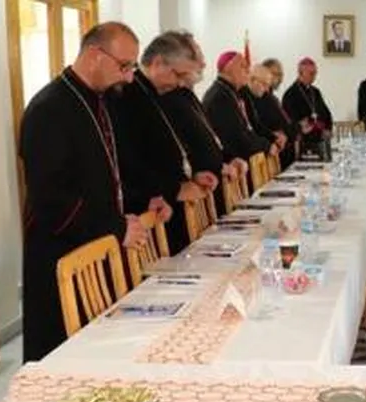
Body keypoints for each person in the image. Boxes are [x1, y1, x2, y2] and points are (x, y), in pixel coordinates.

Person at [19, 22, 151, 362]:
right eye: (124, 66)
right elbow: (51, 200)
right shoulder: (48, 109)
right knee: (62, 356)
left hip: (94, 241)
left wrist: (128, 212)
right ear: (95, 55)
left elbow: (104, 175)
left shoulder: (97, 100)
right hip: (60, 253)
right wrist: (115, 227)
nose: (129, 77)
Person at [117, 31, 208, 253]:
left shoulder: (156, 94)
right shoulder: (128, 97)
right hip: (149, 210)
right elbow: (131, 162)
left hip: (168, 204)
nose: (180, 84)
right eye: (178, 75)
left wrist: (191, 175)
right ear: (158, 63)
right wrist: (173, 188)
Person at [161, 32, 242, 216]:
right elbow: (182, 149)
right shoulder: (169, 98)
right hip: (189, 196)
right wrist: (208, 169)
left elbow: (211, 138)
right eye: (197, 58)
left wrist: (227, 159)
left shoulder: (188, 95)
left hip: (209, 184)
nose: (203, 64)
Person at [203, 51, 275, 187]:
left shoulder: (231, 93)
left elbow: (248, 127)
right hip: (233, 168)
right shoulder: (220, 96)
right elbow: (236, 136)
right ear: (228, 68)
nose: (248, 71)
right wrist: (266, 146)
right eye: (243, 66)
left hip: (241, 165)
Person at [282, 57, 333, 158]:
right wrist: (302, 126)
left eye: (315, 73)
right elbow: (289, 121)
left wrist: (328, 128)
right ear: (301, 73)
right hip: (302, 143)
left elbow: (326, 113)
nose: (314, 76)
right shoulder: (290, 94)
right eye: (311, 73)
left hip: (320, 140)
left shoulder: (315, 92)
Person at [261, 58, 298, 170]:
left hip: (285, 151)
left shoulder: (273, 98)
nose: (281, 79)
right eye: (277, 74)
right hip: (275, 152)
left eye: (281, 75)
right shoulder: (261, 98)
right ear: (265, 74)